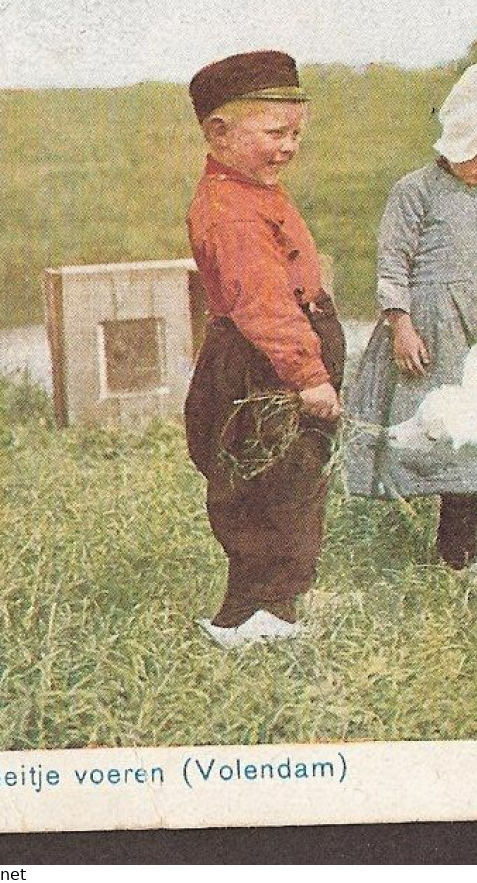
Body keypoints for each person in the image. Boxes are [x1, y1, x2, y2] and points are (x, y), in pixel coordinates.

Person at [344, 62, 477, 581]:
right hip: (437, 330)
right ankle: (458, 550)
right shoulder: (415, 192)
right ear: (456, 145)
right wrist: (400, 324)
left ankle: (467, 534)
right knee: (445, 428)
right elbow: (394, 262)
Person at [182, 50, 345, 649]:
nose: (289, 147)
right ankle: (254, 618)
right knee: (265, 481)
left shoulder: (255, 190)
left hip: (279, 355)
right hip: (263, 363)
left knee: (294, 478)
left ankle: (279, 602)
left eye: (296, 133)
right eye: (276, 133)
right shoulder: (230, 211)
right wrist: (308, 375)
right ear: (219, 133)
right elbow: (264, 305)